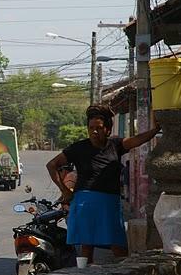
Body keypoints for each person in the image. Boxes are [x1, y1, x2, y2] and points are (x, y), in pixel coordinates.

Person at [46, 104, 161, 264]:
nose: (94, 131)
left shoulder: (115, 145)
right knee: (86, 249)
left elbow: (136, 140)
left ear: (107, 129)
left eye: (99, 128)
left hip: (109, 204)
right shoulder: (78, 148)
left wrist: (155, 130)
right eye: (91, 128)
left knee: (118, 246)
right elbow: (52, 165)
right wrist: (64, 190)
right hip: (84, 203)